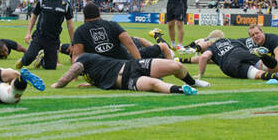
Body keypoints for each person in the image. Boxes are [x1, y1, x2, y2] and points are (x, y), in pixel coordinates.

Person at [51, 52, 210, 93]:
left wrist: (57, 85)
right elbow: (97, 76)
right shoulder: (91, 76)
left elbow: (72, 71)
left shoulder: (83, 58)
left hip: (133, 65)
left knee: (175, 66)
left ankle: (193, 82)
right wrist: (90, 83)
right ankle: (183, 90)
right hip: (126, 81)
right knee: (156, 84)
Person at [16, 0, 74, 70]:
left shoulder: (65, 5)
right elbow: (34, 17)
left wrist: (72, 42)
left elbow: (70, 25)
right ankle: (23, 60)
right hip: (39, 36)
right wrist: (28, 33)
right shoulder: (42, 2)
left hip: (53, 40)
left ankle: (41, 59)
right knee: (28, 60)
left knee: (50, 67)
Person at [72, 2, 141, 61]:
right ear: (99, 13)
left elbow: (77, 55)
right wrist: (139, 63)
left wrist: (75, 76)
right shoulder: (112, 25)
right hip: (122, 63)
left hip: (100, 69)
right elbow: (129, 43)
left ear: (84, 16)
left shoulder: (80, 31)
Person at [196, 36, 278, 82]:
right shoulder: (229, 40)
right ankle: (265, 57)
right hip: (243, 52)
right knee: (271, 67)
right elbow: (243, 46)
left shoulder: (211, 48)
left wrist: (201, 74)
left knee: (256, 74)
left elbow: (204, 57)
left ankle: (275, 77)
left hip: (230, 63)